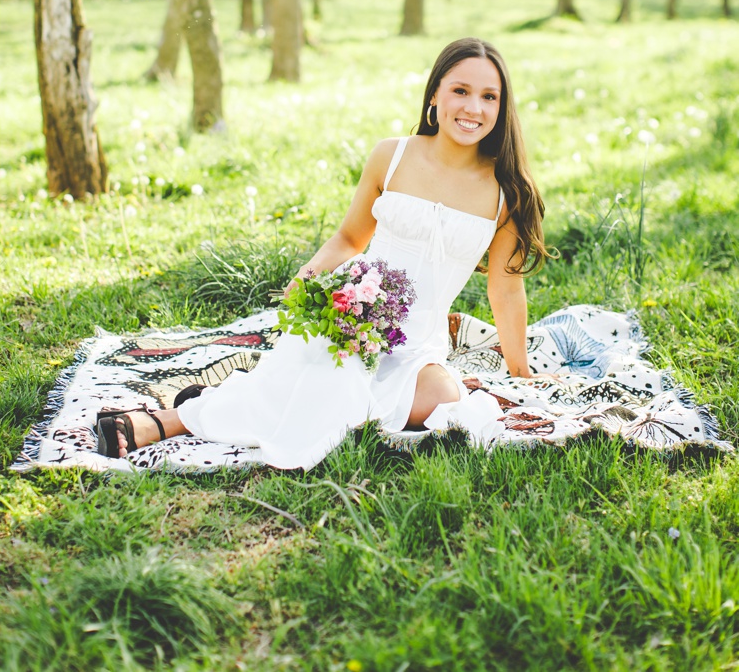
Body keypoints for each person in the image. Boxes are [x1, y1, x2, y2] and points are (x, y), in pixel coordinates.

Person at [96, 37, 548, 471]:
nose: (473, 108)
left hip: (418, 347)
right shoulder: (391, 157)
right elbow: (349, 240)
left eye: (489, 97)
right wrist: (306, 281)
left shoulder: (505, 191)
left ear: (501, 108)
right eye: (460, 91)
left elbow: (505, 289)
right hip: (351, 316)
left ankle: (236, 399)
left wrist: (521, 373)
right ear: (434, 96)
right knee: (336, 380)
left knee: (447, 403)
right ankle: (170, 421)